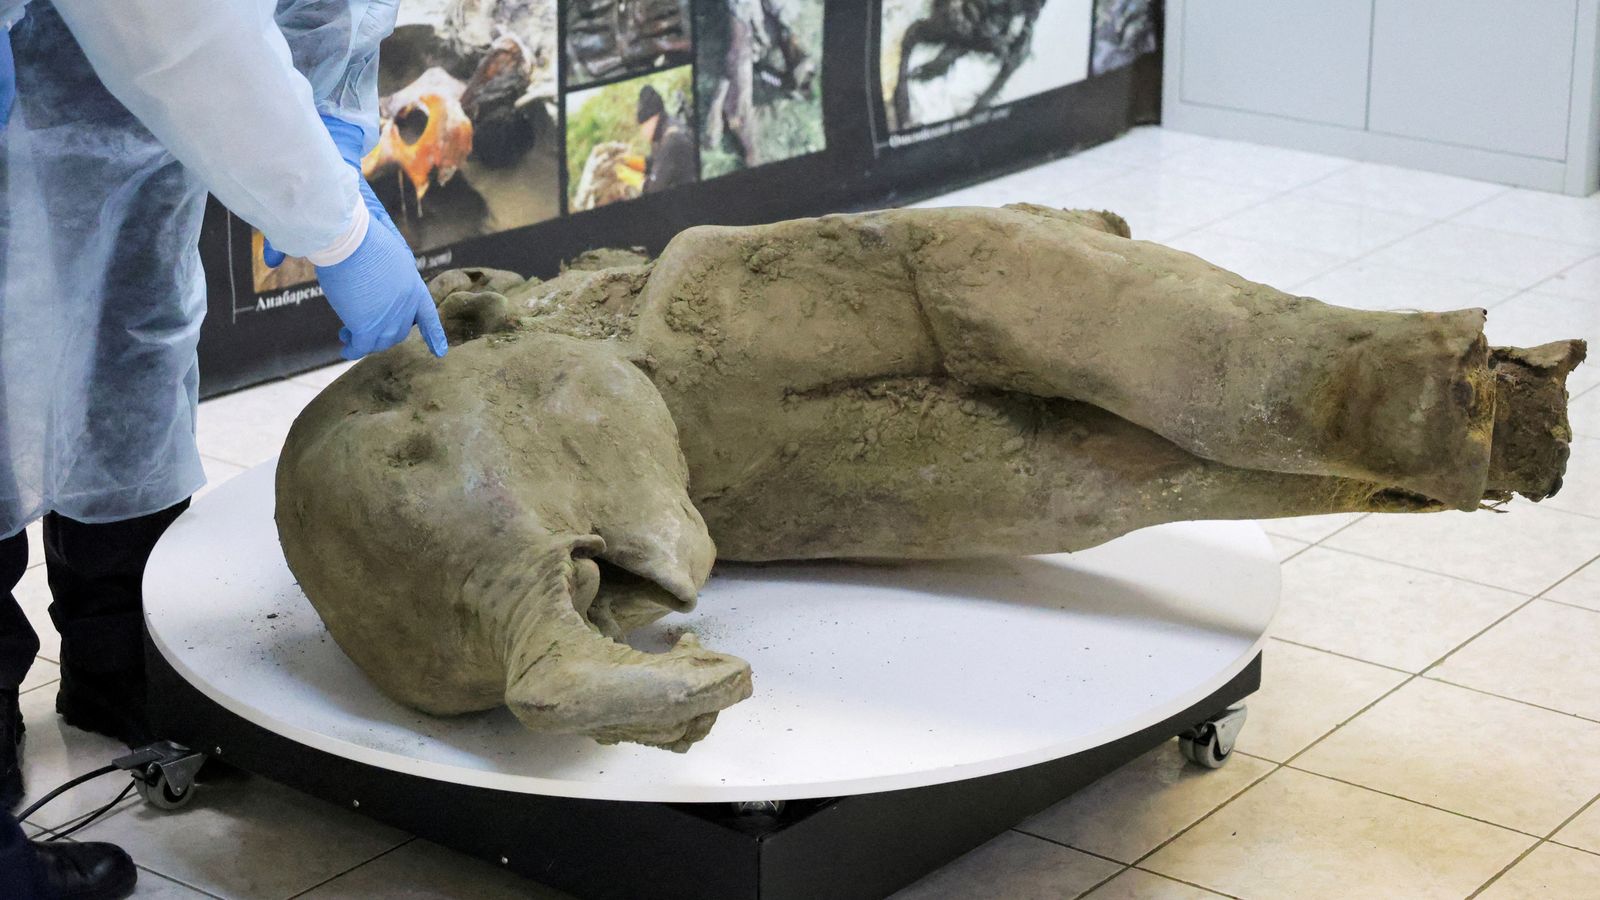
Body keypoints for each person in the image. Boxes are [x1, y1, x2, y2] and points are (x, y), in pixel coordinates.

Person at [0, 1, 448, 896]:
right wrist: (337, 225)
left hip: (135, 98)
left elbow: (332, 8)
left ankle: (121, 659)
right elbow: (173, 24)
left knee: (135, 336)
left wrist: (327, 123)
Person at [636, 84, 697, 194]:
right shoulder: (666, 124)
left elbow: (652, 188)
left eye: (643, 126)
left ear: (653, 118)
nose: (642, 132)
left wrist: (629, 178)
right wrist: (629, 161)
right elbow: (656, 160)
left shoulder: (671, 140)